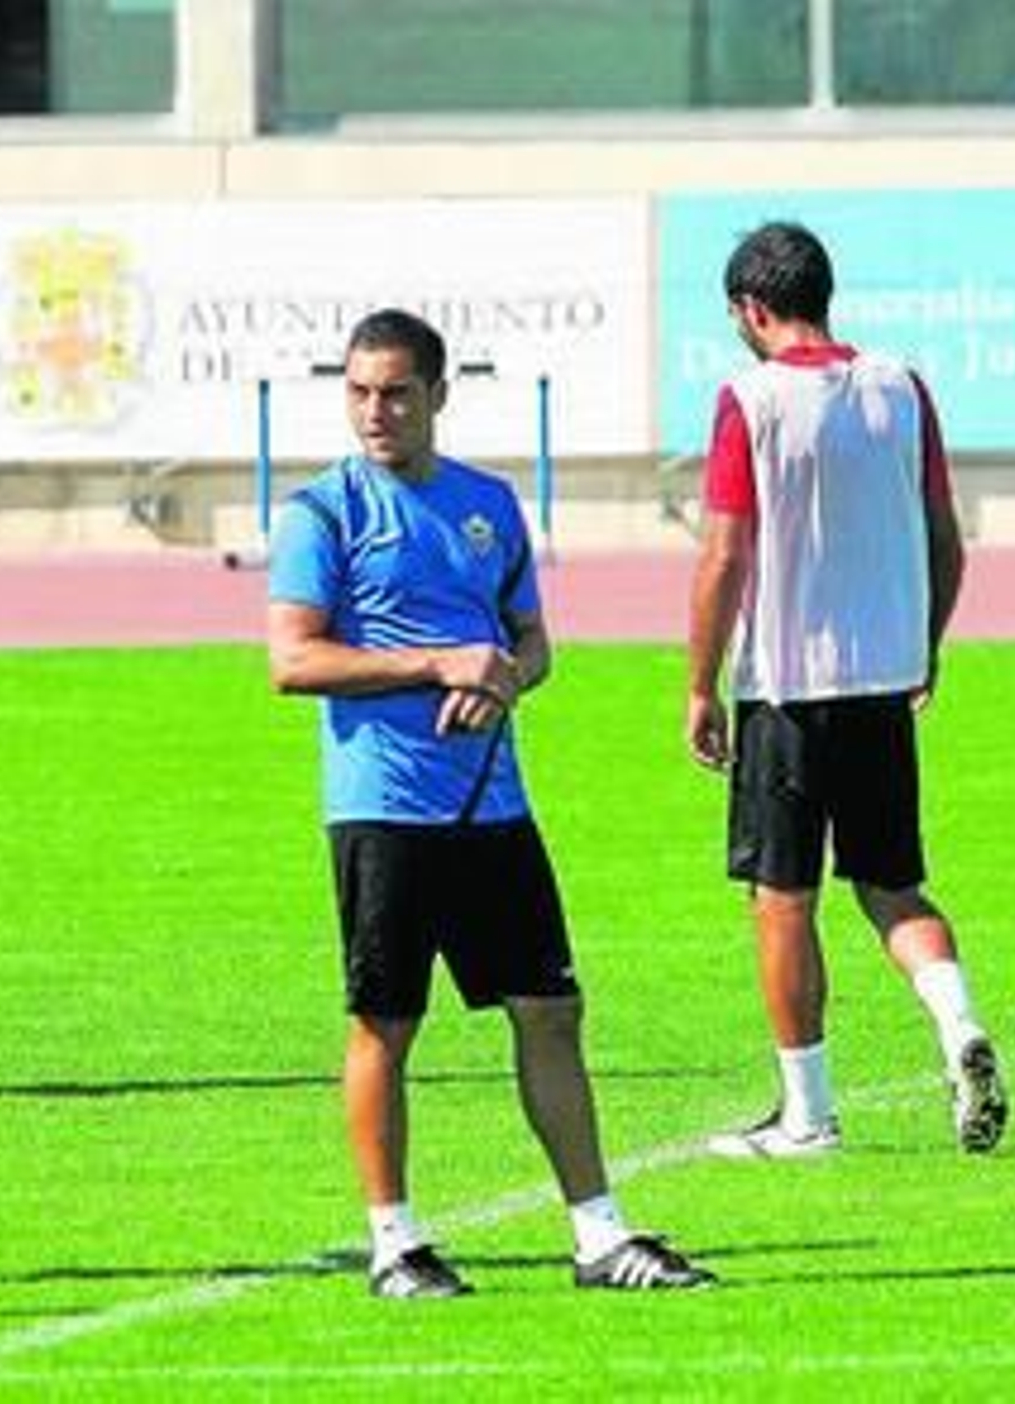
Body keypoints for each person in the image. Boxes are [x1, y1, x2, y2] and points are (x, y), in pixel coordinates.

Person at [268, 308, 715, 1297]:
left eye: (393, 391)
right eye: (356, 391)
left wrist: (503, 678)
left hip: (492, 808)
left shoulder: (487, 505)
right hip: (382, 807)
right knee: (384, 1022)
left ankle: (599, 1236)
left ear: (436, 394)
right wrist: (437, 663)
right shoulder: (321, 513)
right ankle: (396, 1244)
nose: (373, 410)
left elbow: (531, 643)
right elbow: (291, 660)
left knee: (551, 1010)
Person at [686, 220, 1008, 1160]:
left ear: (751, 309)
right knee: (892, 886)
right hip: (882, 683)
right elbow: (945, 537)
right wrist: (925, 644)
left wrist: (699, 684)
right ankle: (959, 1028)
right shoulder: (902, 389)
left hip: (787, 689)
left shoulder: (750, 398)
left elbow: (724, 553)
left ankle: (807, 1114)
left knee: (781, 898)